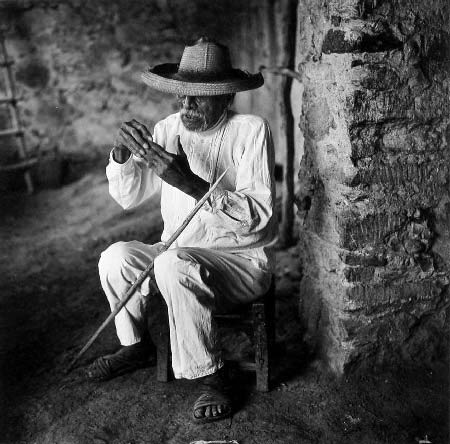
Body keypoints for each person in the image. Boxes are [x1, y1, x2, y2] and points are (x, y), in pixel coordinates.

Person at [86, 37, 276, 423]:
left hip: (238, 262)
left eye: (199, 97)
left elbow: (256, 218)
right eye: (182, 94)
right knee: (116, 258)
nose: (186, 104)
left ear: (226, 97)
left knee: (172, 264)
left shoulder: (251, 130)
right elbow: (129, 196)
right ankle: (135, 345)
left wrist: (187, 181)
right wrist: (122, 155)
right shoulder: (168, 128)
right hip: (174, 252)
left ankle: (213, 374)